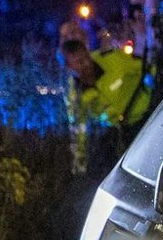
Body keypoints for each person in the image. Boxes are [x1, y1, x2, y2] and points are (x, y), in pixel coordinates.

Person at [60, 35, 150, 173]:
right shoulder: (76, 96)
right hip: (124, 133)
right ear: (69, 67)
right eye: (78, 62)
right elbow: (79, 127)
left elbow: (144, 68)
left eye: (85, 58)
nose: (85, 65)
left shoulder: (112, 58)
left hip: (148, 116)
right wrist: (80, 160)